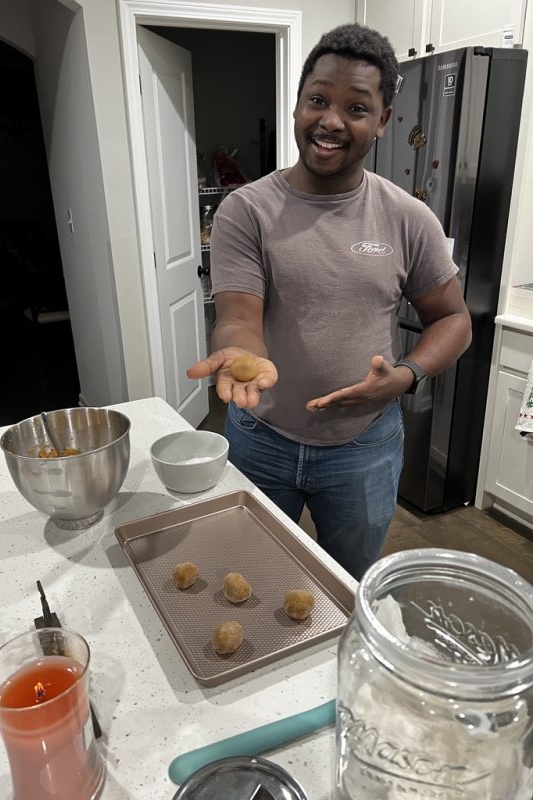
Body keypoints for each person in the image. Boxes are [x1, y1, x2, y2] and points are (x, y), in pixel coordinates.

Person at [187, 23, 472, 580]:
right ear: (297, 105)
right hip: (262, 437)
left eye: (356, 108)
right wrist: (243, 355)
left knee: (349, 582)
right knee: (251, 575)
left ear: (383, 121)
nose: (332, 121)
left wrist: (407, 375)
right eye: (318, 100)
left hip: (364, 447)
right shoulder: (247, 211)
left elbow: (453, 318)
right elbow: (238, 316)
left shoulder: (408, 218)